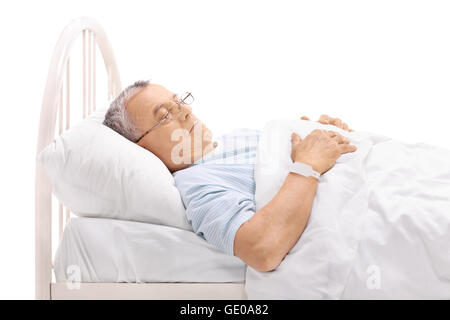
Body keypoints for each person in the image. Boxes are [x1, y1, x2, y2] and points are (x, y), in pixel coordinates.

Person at [103, 80, 357, 272]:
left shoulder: (234, 139)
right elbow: (261, 249)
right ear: (142, 149)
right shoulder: (196, 183)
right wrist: (308, 165)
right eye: (166, 115)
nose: (185, 112)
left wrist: (323, 135)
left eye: (179, 101)